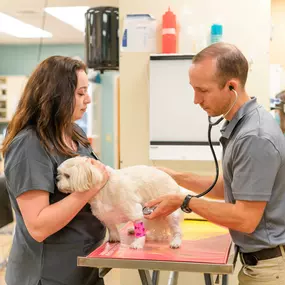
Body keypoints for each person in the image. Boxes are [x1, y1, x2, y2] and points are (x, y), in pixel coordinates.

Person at [144, 42, 285, 284]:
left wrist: (184, 201)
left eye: (203, 90)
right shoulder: (243, 126)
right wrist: (174, 176)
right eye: (193, 89)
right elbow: (229, 187)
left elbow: (245, 219)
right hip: (259, 263)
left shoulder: (254, 137)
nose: (196, 100)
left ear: (232, 86)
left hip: (270, 269)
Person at [2, 56, 109, 285]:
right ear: (56, 95)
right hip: (48, 275)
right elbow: (38, 226)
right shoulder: (30, 145)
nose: (88, 99)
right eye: (80, 93)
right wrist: (89, 190)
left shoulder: (74, 133)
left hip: (83, 268)